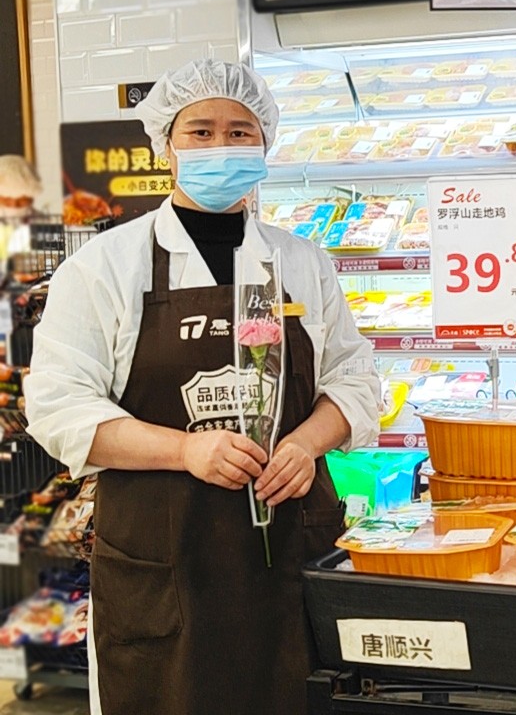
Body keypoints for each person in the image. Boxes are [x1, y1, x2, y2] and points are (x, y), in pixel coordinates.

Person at [25, 59, 381, 714]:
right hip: (163, 560)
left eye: (240, 132)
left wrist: (307, 443)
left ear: (264, 143)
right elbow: (58, 405)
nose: (221, 146)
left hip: (290, 544)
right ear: (166, 145)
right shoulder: (105, 266)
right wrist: (185, 449)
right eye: (200, 131)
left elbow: (354, 380)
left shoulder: (302, 261)